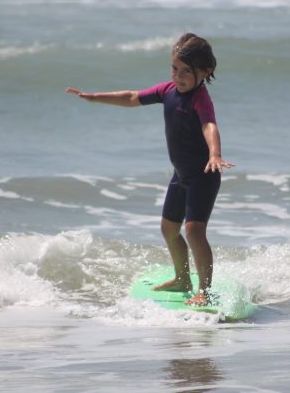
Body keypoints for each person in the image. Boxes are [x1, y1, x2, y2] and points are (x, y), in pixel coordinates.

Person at [66, 33, 233, 306]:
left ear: (205, 71)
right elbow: (132, 97)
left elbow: (209, 125)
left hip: (204, 176)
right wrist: (95, 97)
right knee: (168, 229)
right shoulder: (168, 91)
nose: (178, 76)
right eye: (174, 69)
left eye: (186, 72)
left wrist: (215, 153)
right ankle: (182, 279)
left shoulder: (200, 98)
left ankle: (205, 290)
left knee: (193, 231)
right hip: (181, 175)